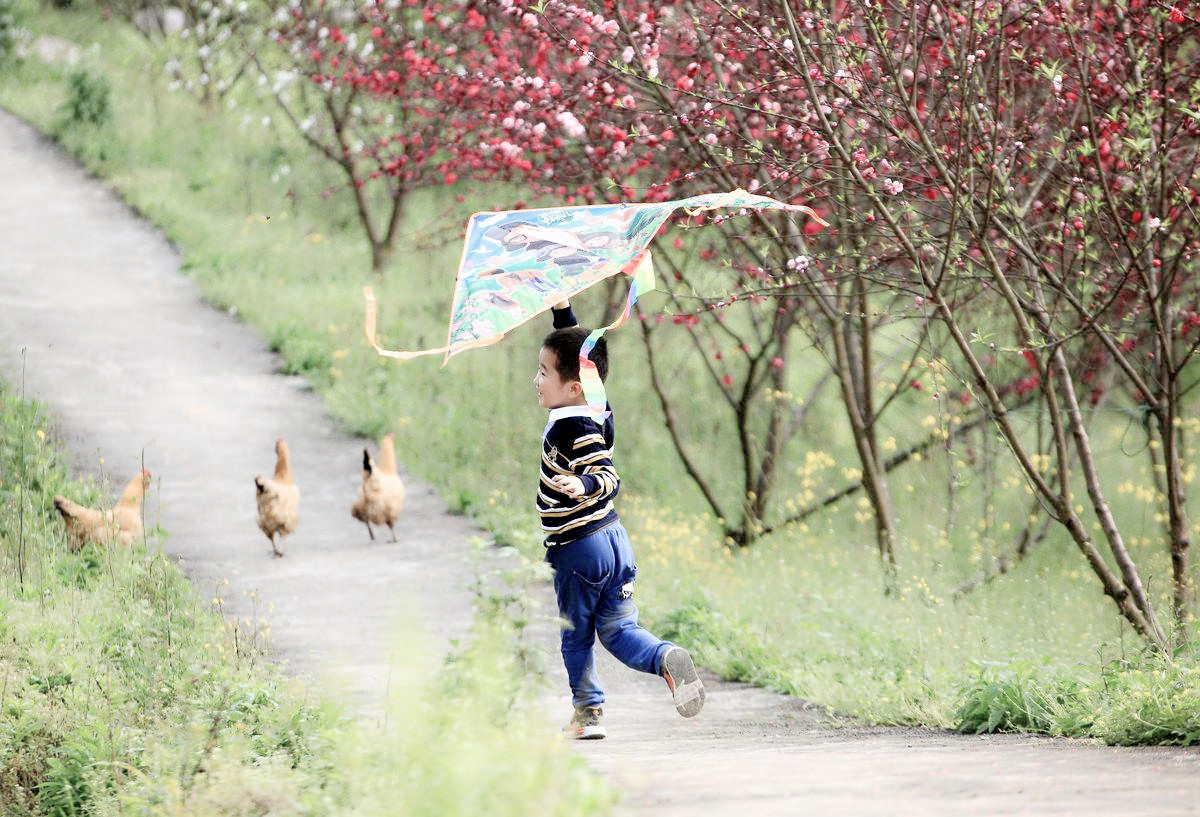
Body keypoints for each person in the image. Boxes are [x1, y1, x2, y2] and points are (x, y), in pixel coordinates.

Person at [534, 299, 705, 740]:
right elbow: (583, 360)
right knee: (620, 629)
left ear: (572, 387)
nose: (536, 380)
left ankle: (587, 713)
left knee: (576, 636)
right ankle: (665, 657)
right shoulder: (594, 402)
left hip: (580, 548)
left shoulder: (574, 426)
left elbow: (606, 474)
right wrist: (563, 312)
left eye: (543, 373)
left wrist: (584, 486)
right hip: (614, 541)